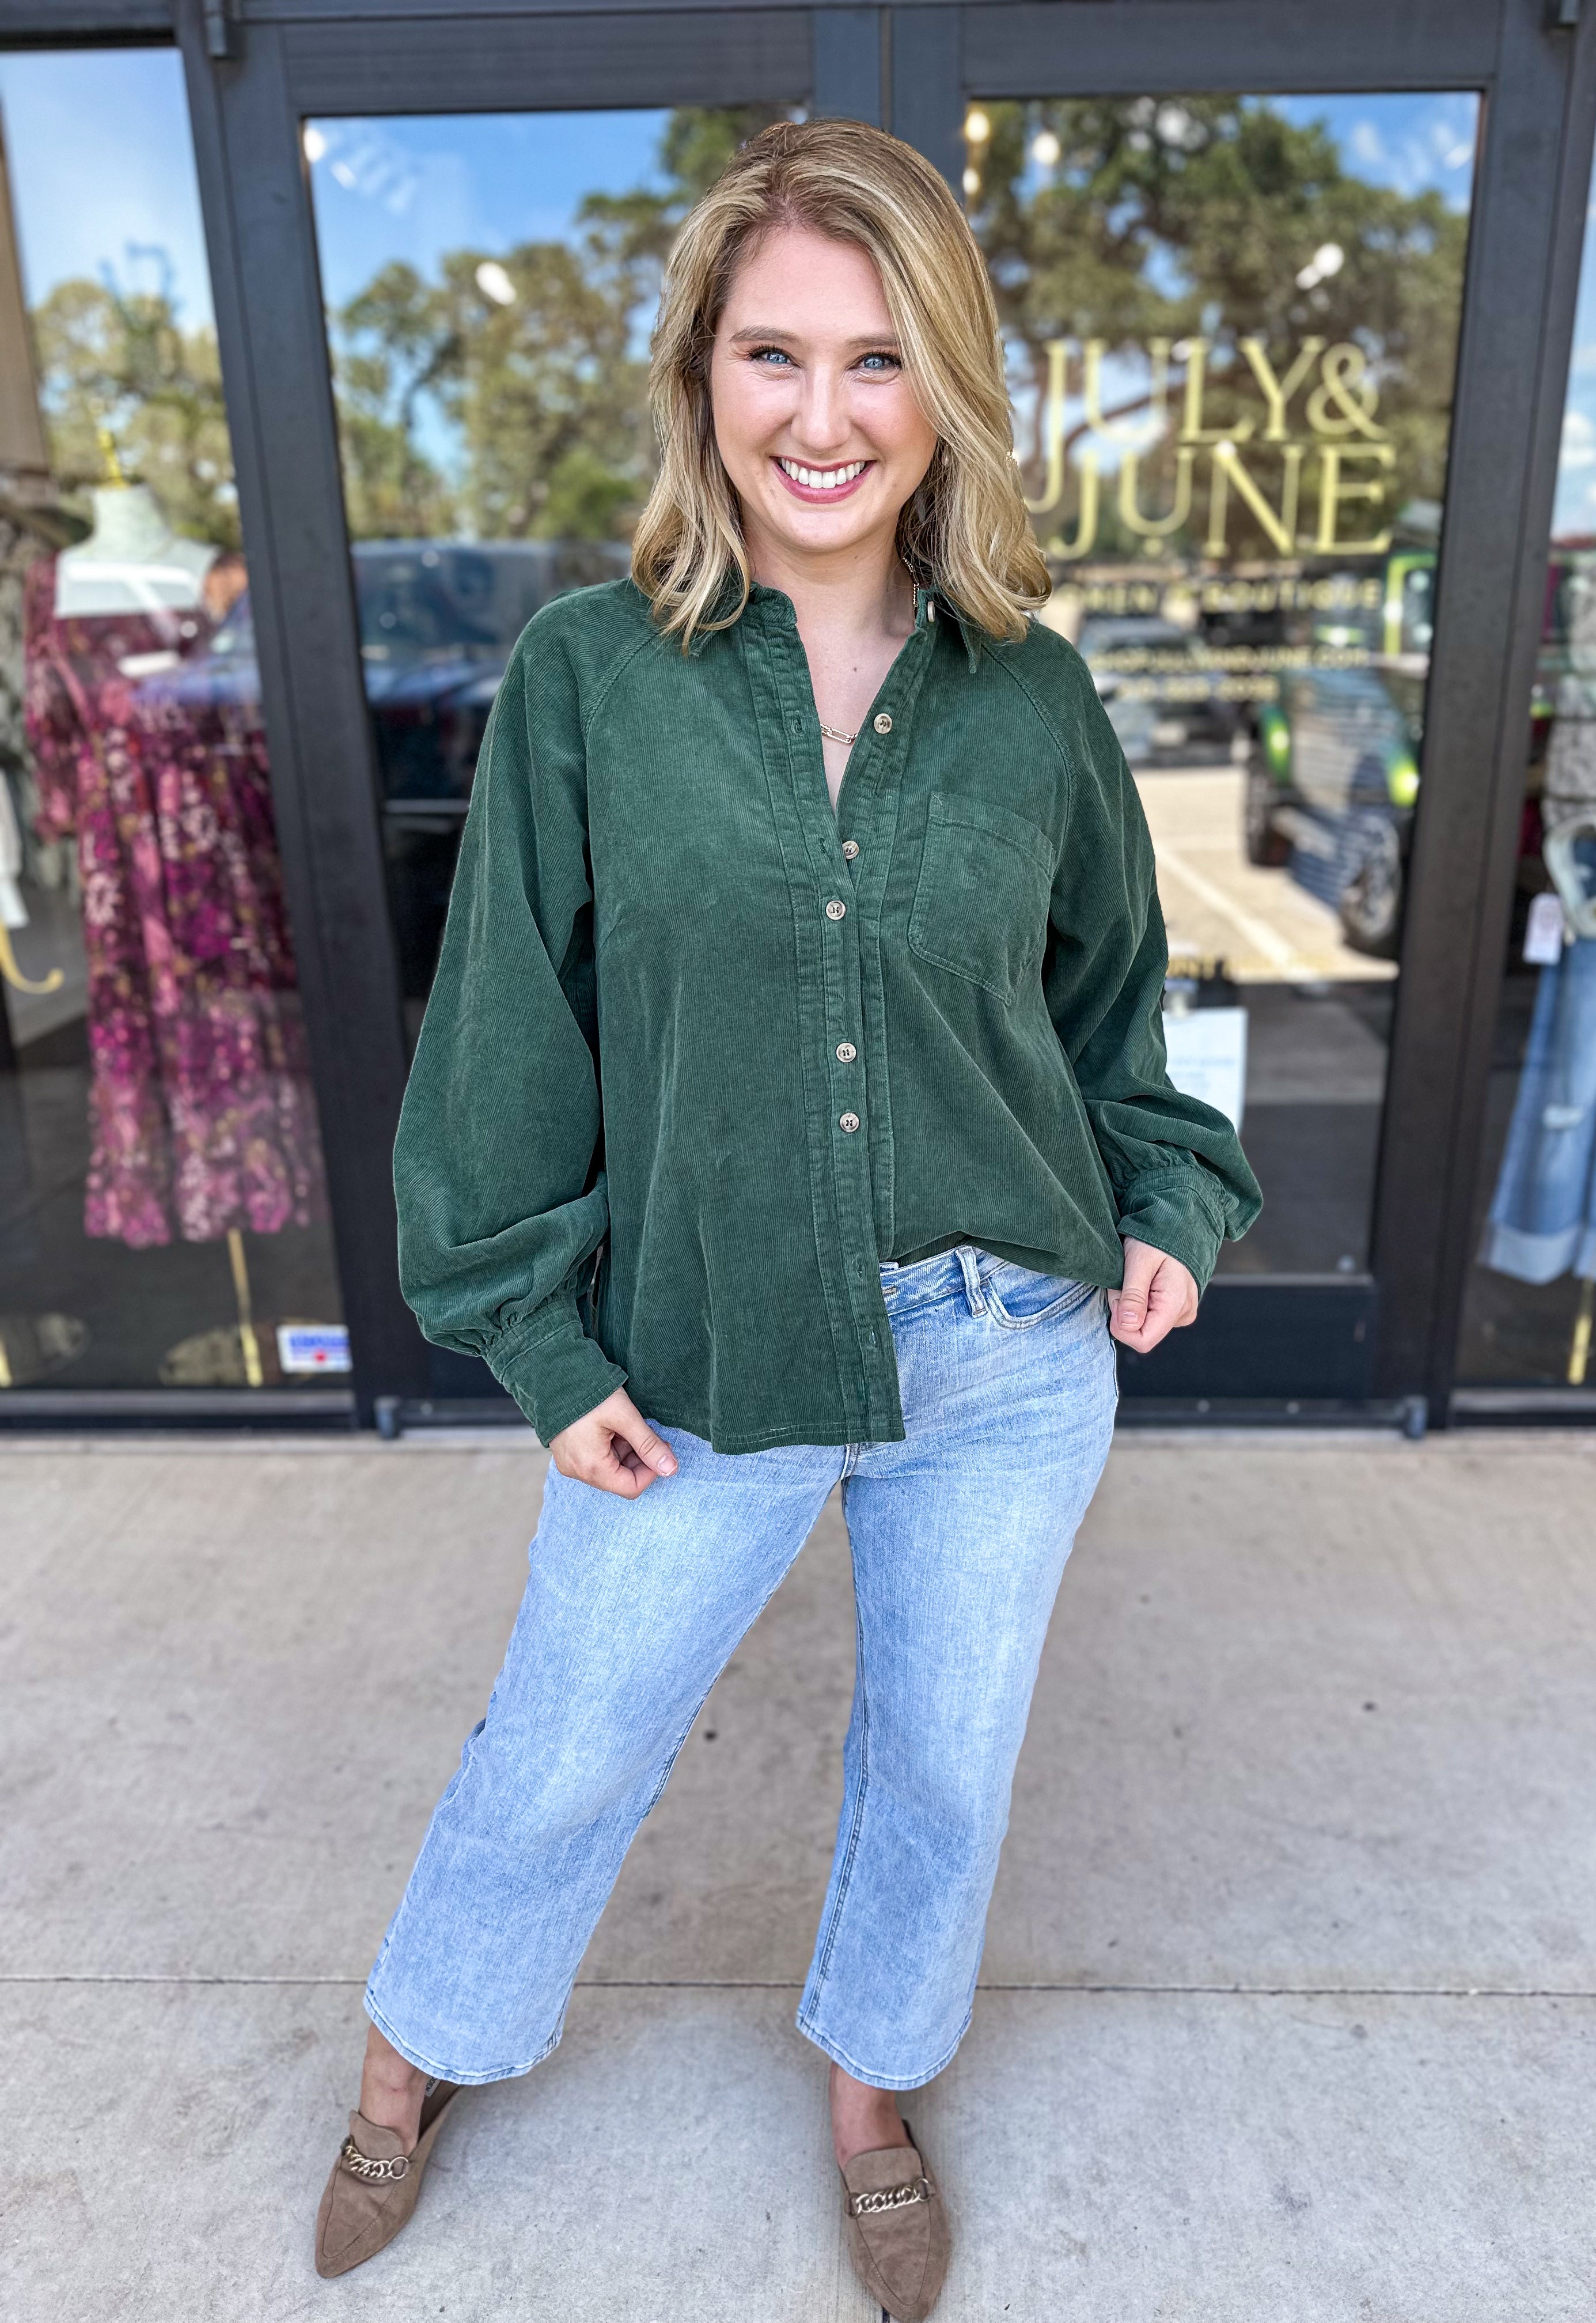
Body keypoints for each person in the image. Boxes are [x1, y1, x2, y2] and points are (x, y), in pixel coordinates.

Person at [314, 116, 1260, 2317]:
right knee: (567, 1742)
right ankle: (412, 2056)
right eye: (772, 356)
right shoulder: (589, 676)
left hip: (1009, 1353)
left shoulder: (1029, 689)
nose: (820, 417)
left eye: (874, 360)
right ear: (701, 375)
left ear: (943, 390)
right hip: (703, 1344)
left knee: (941, 1765)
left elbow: (1122, 1006)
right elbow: (500, 1047)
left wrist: (1172, 1205)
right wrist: (543, 1346)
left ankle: (869, 2098)